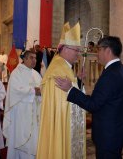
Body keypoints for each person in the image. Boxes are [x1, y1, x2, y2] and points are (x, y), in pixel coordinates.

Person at [55, 36, 123, 159]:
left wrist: (70, 89)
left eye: (98, 50)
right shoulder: (119, 69)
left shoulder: (110, 74)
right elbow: (102, 99)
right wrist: (79, 82)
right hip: (115, 131)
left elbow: (93, 105)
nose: (97, 54)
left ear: (107, 50)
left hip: (108, 135)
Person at [36, 22, 86, 159]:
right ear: (65, 49)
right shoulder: (59, 69)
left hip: (65, 120)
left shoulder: (62, 66)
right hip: (62, 123)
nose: (78, 54)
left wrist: (79, 81)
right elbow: (62, 101)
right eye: (76, 50)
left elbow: (70, 91)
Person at [3, 50, 42, 159]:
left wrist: (42, 92)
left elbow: (42, 89)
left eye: (35, 58)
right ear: (24, 59)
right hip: (21, 112)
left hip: (35, 112)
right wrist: (34, 91)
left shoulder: (36, 74)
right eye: (31, 58)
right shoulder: (17, 73)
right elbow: (15, 91)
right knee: (21, 139)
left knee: (34, 140)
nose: (34, 60)